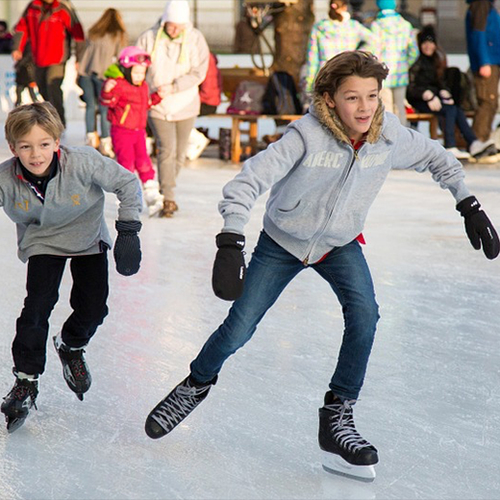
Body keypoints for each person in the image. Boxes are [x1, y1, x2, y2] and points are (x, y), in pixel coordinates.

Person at [143, 51, 499, 482]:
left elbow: (438, 158)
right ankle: (196, 384)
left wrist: (468, 202)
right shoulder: (305, 135)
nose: (365, 107)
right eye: (353, 98)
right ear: (330, 99)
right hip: (282, 242)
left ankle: (337, 415)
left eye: (372, 95)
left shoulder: (388, 137)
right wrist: (231, 240)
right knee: (239, 327)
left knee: (365, 317)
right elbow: (248, 180)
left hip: (339, 244)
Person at [0, 102, 143, 433]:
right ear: (13, 147)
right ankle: (26, 379)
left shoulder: (83, 162)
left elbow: (127, 183)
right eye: (26, 147)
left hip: (88, 237)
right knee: (36, 308)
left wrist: (129, 230)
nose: (36, 154)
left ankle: (71, 344)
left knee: (94, 308)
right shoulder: (6, 179)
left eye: (44, 144)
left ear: (57, 142)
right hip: (42, 241)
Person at [136, 0, 210, 218]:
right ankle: (168, 198)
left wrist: (175, 86)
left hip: (186, 103)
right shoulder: (149, 38)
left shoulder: (195, 38)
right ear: (164, 21)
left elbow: (199, 72)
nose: (175, 29)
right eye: (171, 25)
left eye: (179, 25)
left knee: (179, 154)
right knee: (167, 149)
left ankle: (164, 187)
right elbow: (134, 63)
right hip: (158, 105)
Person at [407, 25, 497, 161]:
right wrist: (427, 95)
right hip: (419, 100)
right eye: (425, 43)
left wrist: (443, 91)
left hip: (434, 98)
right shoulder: (417, 62)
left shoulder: (436, 60)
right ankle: (450, 146)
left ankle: (473, 142)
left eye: (430, 43)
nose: (428, 46)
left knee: (456, 109)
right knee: (449, 110)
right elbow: (412, 87)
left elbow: (438, 82)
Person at [100, 46, 166, 217]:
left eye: (142, 73)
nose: (139, 77)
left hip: (139, 132)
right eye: (136, 73)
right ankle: (127, 197)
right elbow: (108, 102)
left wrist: (158, 96)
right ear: (126, 70)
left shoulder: (143, 86)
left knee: (144, 161)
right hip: (122, 132)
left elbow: (146, 103)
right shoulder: (119, 85)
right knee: (126, 163)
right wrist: (107, 90)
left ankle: (151, 192)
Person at [11, 0, 86, 127]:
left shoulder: (63, 7)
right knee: (41, 88)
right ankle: (50, 118)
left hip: (57, 58)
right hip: (38, 56)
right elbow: (21, 27)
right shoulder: (32, 7)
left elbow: (78, 33)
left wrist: (79, 58)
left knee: (53, 86)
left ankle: (59, 122)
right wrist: (17, 47)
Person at [78, 8, 128, 158]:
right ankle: (106, 141)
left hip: (86, 73)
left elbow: (83, 54)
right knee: (105, 109)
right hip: (104, 76)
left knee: (90, 106)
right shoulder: (118, 35)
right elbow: (121, 58)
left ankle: (91, 138)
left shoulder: (94, 32)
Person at [304, 0, 376, 95]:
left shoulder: (319, 27)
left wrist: (309, 82)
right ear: (345, 7)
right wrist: (357, 54)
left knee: (325, 105)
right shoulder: (353, 26)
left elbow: (312, 58)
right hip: (348, 70)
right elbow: (374, 40)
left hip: (325, 72)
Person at [370, 0, 418, 126]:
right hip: (401, 72)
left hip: (383, 73)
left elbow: (374, 51)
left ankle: (388, 141)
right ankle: (402, 140)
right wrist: (405, 65)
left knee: (386, 109)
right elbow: (414, 51)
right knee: (400, 108)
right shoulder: (406, 25)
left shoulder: (377, 25)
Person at [465, 0, 500, 152]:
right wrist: (483, 61)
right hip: (488, 61)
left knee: (491, 102)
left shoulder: (487, 5)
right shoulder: (481, 4)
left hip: (493, 59)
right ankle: (478, 141)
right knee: (487, 101)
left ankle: (485, 140)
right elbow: (478, 34)